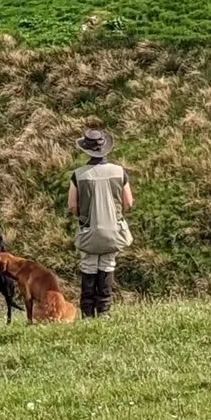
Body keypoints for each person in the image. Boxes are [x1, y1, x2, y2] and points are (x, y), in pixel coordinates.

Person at [68, 128, 132, 318]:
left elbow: (72, 205)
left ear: (86, 150)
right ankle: (104, 311)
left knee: (88, 266)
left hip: (88, 230)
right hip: (114, 230)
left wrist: (85, 216)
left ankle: (87, 312)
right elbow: (128, 202)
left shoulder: (79, 175)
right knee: (107, 265)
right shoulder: (119, 171)